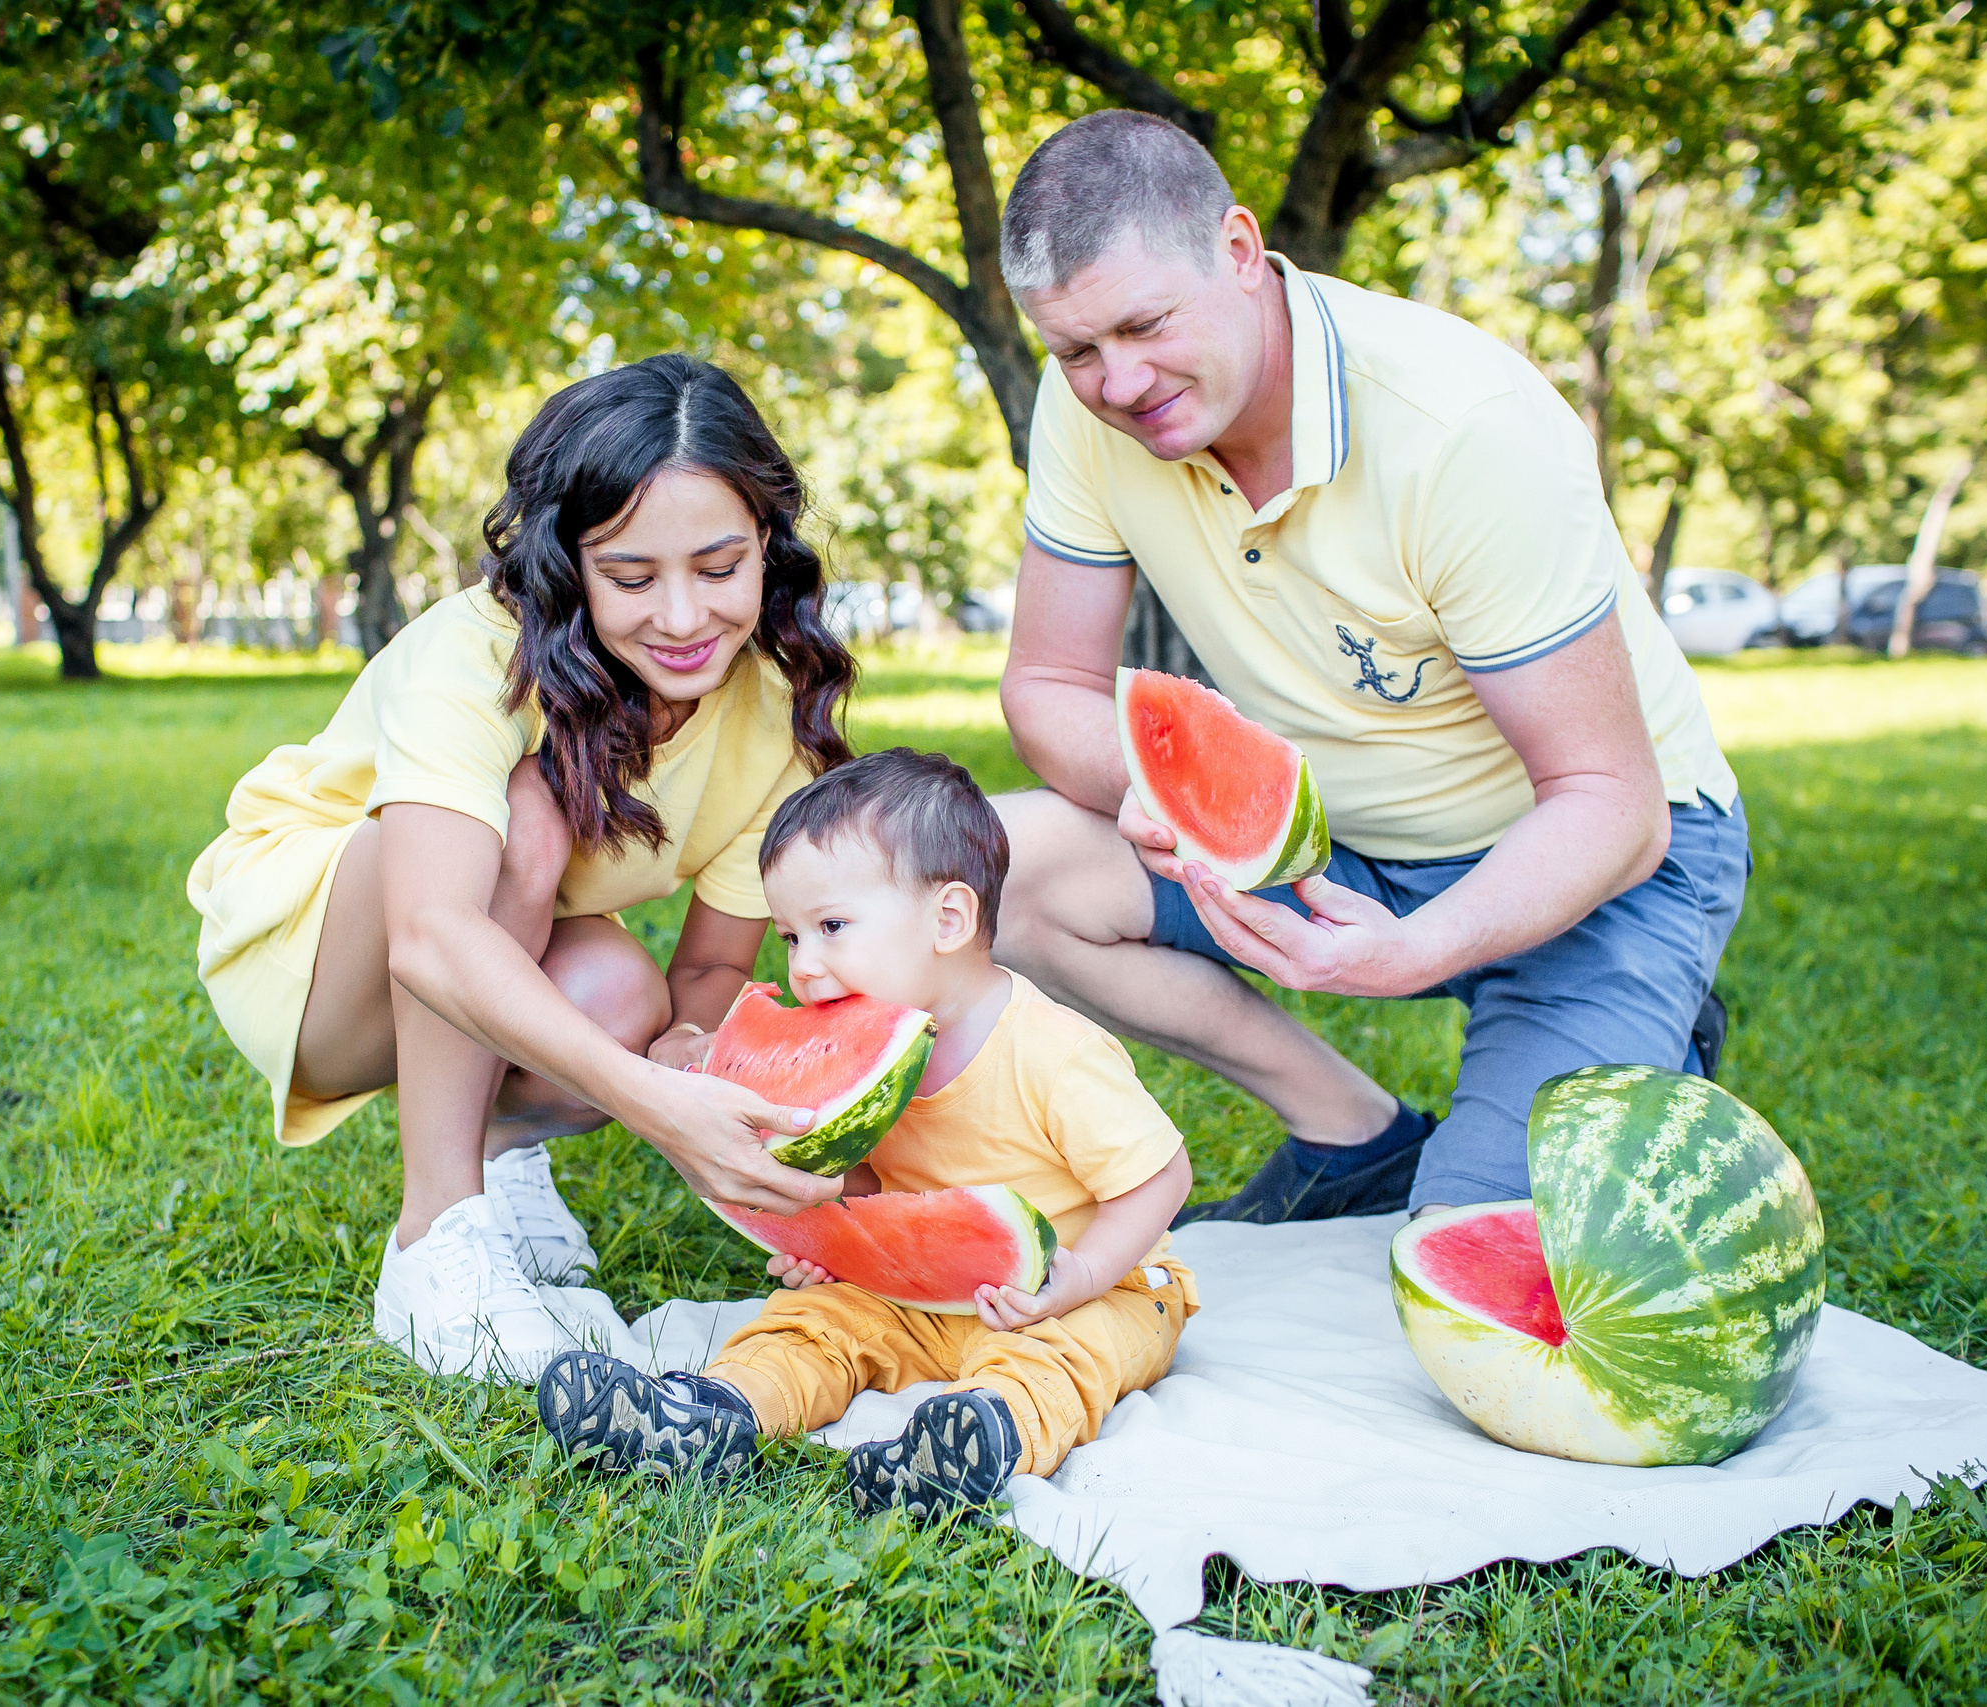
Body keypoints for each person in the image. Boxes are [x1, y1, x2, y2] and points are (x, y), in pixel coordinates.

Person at [988, 111, 1748, 1223]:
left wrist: (1409, 951)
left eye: (1145, 324)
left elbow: (1612, 804)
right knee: (992, 872)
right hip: (1332, 840)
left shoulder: (1462, 431)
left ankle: (1645, 1027)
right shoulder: (1089, 402)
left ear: (1240, 252)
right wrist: (1156, 794)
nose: (1117, 381)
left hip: (1601, 863)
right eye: (1077, 350)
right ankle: (1354, 1136)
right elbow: (1046, 688)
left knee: (1472, 1263)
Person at [187, 354, 854, 1381]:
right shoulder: (479, 652)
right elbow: (430, 932)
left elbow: (712, 974)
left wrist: (683, 1052)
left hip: (485, 951)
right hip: (313, 958)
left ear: (766, 546)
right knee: (531, 811)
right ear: (569, 566)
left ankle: (501, 1161)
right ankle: (433, 1239)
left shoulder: (773, 712)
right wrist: (651, 1103)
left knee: (625, 990)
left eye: (718, 568)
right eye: (631, 577)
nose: (682, 619)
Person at [536, 750, 1197, 1518]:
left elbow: (1162, 1177)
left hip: (1097, 1287)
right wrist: (828, 1231)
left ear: (949, 919)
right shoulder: (876, 1052)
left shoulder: (1054, 1052)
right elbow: (882, 1188)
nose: (804, 967)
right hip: (916, 1289)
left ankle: (979, 1441)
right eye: (789, 936)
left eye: (832, 927)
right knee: (809, 1324)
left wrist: (1080, 1275)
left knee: (1062, 1359)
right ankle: (705, 1414)